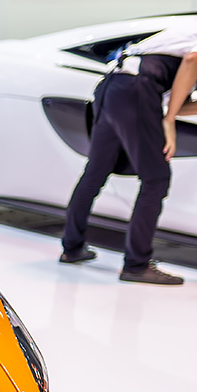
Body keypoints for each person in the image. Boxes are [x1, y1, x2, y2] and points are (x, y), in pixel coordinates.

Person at [59, 18, 197, 284]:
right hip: (136, 89)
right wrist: (168, 121)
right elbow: (192, 60)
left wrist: (171, 114)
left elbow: (178, 99)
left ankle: (72, 248)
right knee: (156, 178)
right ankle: (136, 265)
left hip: (114, 86)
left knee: (95, 172)